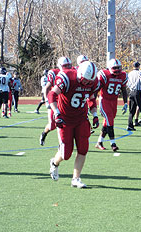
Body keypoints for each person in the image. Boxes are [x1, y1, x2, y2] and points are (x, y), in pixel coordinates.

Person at [47, 58, 100, 188]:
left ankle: (76, 179)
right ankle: (54, 162)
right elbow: (52, 95)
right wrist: (56, 112)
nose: (87, 83)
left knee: (83, 149)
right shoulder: (67, 77)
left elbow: (92, 98)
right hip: (65, 118)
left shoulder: (92, 82)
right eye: (86, 80)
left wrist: (94, 114)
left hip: (81, 118)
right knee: (66, 154)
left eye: (90, 81)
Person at [95, 58, 128, 151]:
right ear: (110, 68)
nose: (117, 69)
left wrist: (125, 103)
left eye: (119, 67)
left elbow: (124, 90)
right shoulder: (105, 75)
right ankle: (113, 143)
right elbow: (97, 89)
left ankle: (99, 142)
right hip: (104, 100)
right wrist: (92, 101)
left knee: (107, 122)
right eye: (115, 67)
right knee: (109, 121)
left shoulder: (123, 76)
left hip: (114, 101)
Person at [39, 67, 60, 146]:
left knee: (63, 123)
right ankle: (44, 134)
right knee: (52, 125)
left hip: (62, 102)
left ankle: (62, 143)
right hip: (53, 101)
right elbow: (46, 88)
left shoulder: (69, 73)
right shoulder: (55, 73)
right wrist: (47, 101)